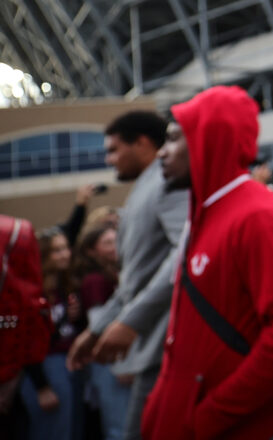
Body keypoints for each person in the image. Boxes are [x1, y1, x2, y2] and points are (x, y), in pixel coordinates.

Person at [140, 86, 273, 439]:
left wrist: (212, 414)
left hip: (249, 426)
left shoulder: (258, 216)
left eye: (174, 139)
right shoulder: (209, 213)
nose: (162, 153)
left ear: (208, 138)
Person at [66, 110, 186, 440]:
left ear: (143, 143)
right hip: (153, 346)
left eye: (114, 149)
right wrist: (98, 328)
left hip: (168, 346)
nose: (109, 159)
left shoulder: (167, 182)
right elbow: (137, 275)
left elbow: (185, 253)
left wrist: (131, 321)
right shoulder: (148, 186)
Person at [20, 227, 87, 440]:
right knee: (54, 431)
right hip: (46, 366)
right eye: (57, 250)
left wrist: (76, 317)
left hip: (71, 360)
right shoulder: (31, 290)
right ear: (43, 256)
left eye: (66, 248)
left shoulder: (65, 284)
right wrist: (42, 387)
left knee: (73, 429)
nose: (65, 254)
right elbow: (26, 340)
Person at [75, 223, 131, 440]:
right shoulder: (95, 281)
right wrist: (121, 365)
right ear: (91, 250)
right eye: (107, 242)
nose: (114, 246)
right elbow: (99, 326)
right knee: (119, 426)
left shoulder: (116, 273)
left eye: (115, 240)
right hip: (108, 361)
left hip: (116, 358)